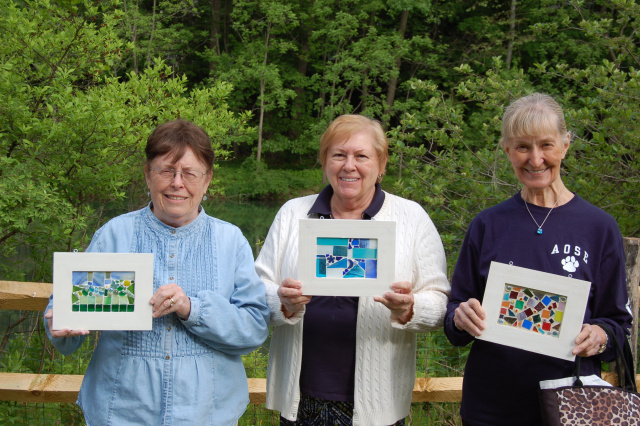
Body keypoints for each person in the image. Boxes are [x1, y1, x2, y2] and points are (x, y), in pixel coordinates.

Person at [44, 119, 270, 425]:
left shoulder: (231, 241)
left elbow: (254, 329)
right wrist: (60, 327)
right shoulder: (113, 235)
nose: (177, 183)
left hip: (207, 413)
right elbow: (69, 321)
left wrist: (193, 308)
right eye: (166, 171)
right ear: (148, 175)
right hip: (121, 412)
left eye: (190, 173)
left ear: (207, 180)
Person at [444, 93, 633, 425]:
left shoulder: (599, 227)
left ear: (565, 145)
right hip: (492, 407)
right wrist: (460, 317)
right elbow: (454, 315)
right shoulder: (487, 225)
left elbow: (618, 324)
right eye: (522, 147)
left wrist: (599, 336)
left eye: (546, 145)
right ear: (506, 150)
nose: (535, 159)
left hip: (572, 405)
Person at [254, 114, 450, 426]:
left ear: (381, 164)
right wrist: (282, 302)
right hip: (301, 401)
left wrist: (410, 307)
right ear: (324, 161)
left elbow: (440, 303)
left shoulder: (411, 218)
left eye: (361, 156)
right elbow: (256, 288)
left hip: (378, 403)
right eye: (338, 155)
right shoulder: (293, 213)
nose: (349, 165)